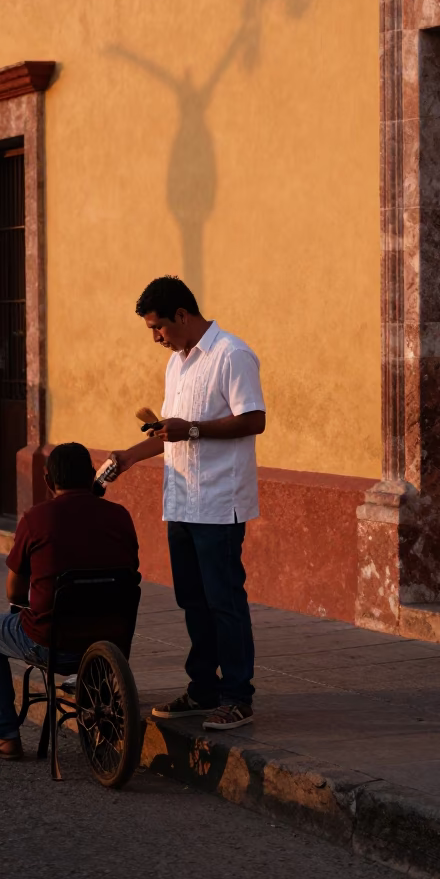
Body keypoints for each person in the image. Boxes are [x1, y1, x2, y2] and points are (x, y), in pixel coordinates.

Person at [111, 276, 265, 731]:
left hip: (218, 503)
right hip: (180, 502)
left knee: (224, 601)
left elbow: (254, 419)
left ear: (182, 315)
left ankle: (238, 695)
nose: (157, 338)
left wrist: (193, 428)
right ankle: (203, 688)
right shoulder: (176, 365)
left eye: (158, 327)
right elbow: (169, 432)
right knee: (192, 601)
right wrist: (129, 458)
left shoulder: (231, 354)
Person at [0, 442, 140, 759]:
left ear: (48, 481)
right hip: (111, 640)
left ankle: (4, 735)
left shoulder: (36, 519)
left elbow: (14, 594)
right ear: (92, 476)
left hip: (53, 643)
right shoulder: (120, 516)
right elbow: (130, 572)